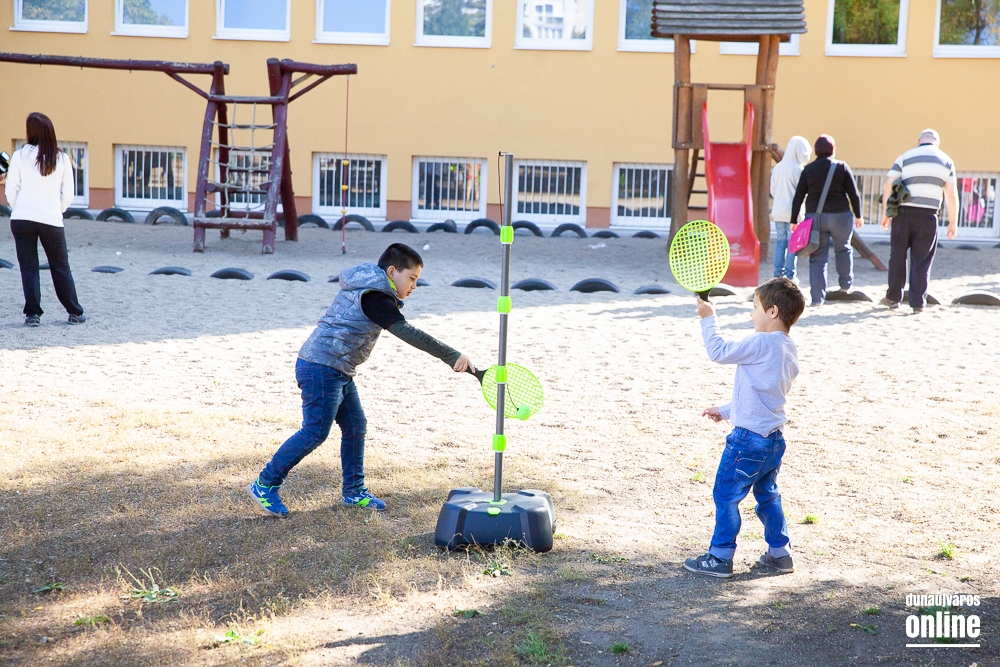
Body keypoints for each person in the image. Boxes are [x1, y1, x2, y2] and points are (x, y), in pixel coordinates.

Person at [247, 243, 476, 516]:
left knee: (356, 426)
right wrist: (451, 355)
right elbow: (407, 332)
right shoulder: (374, 297)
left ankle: (354, 492)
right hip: (322, 366)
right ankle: (265, 484)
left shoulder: (372, 288)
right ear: (392, 271)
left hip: (337, 367)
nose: (414, 286)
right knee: (315, 431)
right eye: (412, 278)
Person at [684, 278, 805, 578]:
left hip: (746, 442)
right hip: (773, 441)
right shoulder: (789, 349)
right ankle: (780, 554)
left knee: (726, 495)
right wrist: (726, 411)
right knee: (768, 496)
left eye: (755, 307)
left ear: (773, 312)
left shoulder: (760, 342)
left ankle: (720, 556)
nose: (751, 313)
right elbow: (762, 395)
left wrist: (708, 318)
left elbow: (719, 352)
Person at [4, 112, 85, 326]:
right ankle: (74, 312)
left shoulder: (20, 156)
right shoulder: (62, 158)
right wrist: (57, 210)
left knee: (28, 267)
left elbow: (11, 189)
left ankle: (33, 314)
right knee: (60, 266)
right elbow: (68, 194)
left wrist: (18, 207)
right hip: (51, 219)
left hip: (22, 219)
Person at [878, 129, 958, 313]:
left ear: (919, 141)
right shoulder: (946, 161)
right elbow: (951, 194)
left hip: (903, 214)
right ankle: (917, 304)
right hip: (928, 216)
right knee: (921, 261)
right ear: (937, 143)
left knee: (897, 256)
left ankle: (893, 298)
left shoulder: (905, 157)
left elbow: (889, 185)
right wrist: (953, 221)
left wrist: (885, 214)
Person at [789, 135, 864, 307]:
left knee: (817, 256)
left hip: (816, 218)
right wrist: (858, 215)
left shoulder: (808, 170)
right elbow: (853, 193)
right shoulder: (842, 167)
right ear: (833, 149)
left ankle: (817, 298)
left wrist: (794, 219)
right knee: (843, 249)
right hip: (840, 216)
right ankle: (845, 286)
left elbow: (798, 196)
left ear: (816, 150)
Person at [770, 136, 811, 282]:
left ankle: (777, 274)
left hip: (778, 211)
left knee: (780, 242)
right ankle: (790, 275)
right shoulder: (799, 170)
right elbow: (802, 194)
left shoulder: (777, 168)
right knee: (793, 244)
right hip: (794, 213)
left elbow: (773, 190)